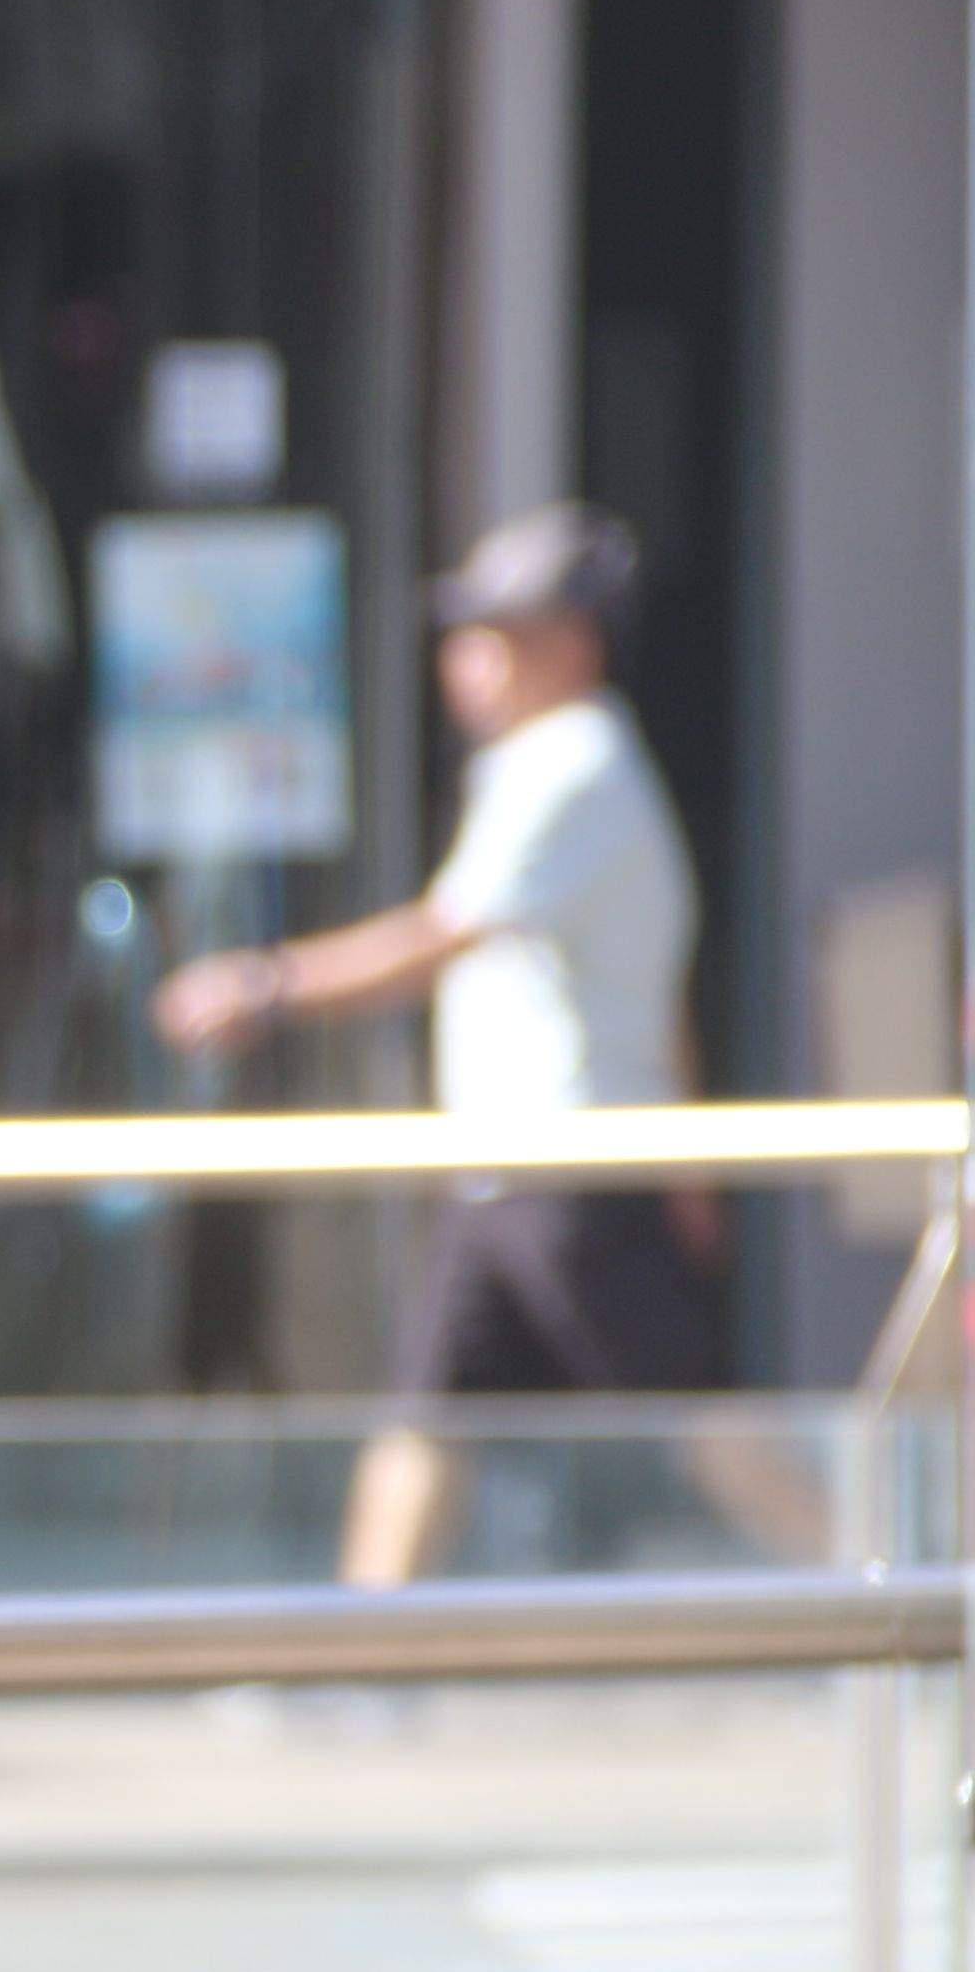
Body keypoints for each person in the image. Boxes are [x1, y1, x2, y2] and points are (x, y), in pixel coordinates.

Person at [154, 502, 748, 1586]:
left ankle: (884, 1591)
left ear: (573, 644)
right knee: (426, 1416)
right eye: (466, 634)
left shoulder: (575, 760)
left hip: (572, 1168)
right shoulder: (559, 766)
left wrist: (264, 981)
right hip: (520, 1167)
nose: (467, 660)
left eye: (500, 634)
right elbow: (659, 1001)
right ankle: (358, 1663)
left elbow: (441, 933)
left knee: (693, 1422)